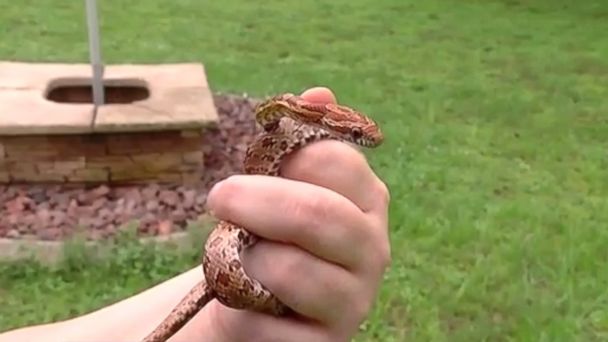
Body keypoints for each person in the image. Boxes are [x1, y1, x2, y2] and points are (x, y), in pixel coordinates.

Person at [0, 86, 391, 342]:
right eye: (358, 137)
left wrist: (218, 326)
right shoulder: (291, 118)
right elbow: (270, 113)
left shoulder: (298, 128)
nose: (361, 142)